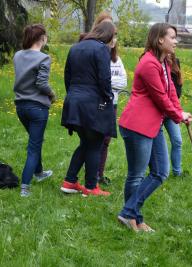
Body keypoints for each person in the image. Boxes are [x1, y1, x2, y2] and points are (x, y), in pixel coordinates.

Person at [117, 23, 192, 232]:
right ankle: (133, 218)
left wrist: (180, 112)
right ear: (160, 39)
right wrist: (177, 116)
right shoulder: (149, 64)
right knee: (137, 175)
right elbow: (159, 98)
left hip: (153, 125)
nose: (176, 41)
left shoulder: (164, 63)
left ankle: (130, 214)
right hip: (137, 125)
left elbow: (171, 94)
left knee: (160, 172)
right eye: (173, 37)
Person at [60, 21, 116, 197]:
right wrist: (108, 96)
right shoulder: (101, 49)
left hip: (74, 102)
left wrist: (73, 95)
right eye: (114, 35)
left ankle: (69, 182)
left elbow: (67, 76)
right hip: (92, 103)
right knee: (95, 144)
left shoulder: (76, 47)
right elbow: (104, 78)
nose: (114, 39)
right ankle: (91, 187)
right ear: (107, 34)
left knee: (86, 142)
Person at [13, 24, 55, 197]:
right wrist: (52, 95)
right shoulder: (44, 58)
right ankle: (25, 187)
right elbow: (41, 84)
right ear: (42, 38)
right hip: (37, 108)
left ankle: (39, 173)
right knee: (34, 147)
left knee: (34, 141)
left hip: (20, 107)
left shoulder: (17, 55)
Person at [97, 38, 127, 185]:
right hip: (99, 102)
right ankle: (92, 173)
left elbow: (124, 83)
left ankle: (99, 174)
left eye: (116, 36)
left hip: (113, 103)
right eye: (112, 35)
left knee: (107, 139)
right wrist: (108, 83)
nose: (114, 39)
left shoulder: (117, 60)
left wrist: (107, 82)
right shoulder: (98, 56)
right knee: (96, 138)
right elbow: (97, 81)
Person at [164, 53, 183, 176]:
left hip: (172, 110)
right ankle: (156, 172)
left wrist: (178, 109)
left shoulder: (176, 62)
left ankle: (177, 172)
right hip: (159, 109)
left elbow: (176, 88)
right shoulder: (158, 63)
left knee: (177, 141)